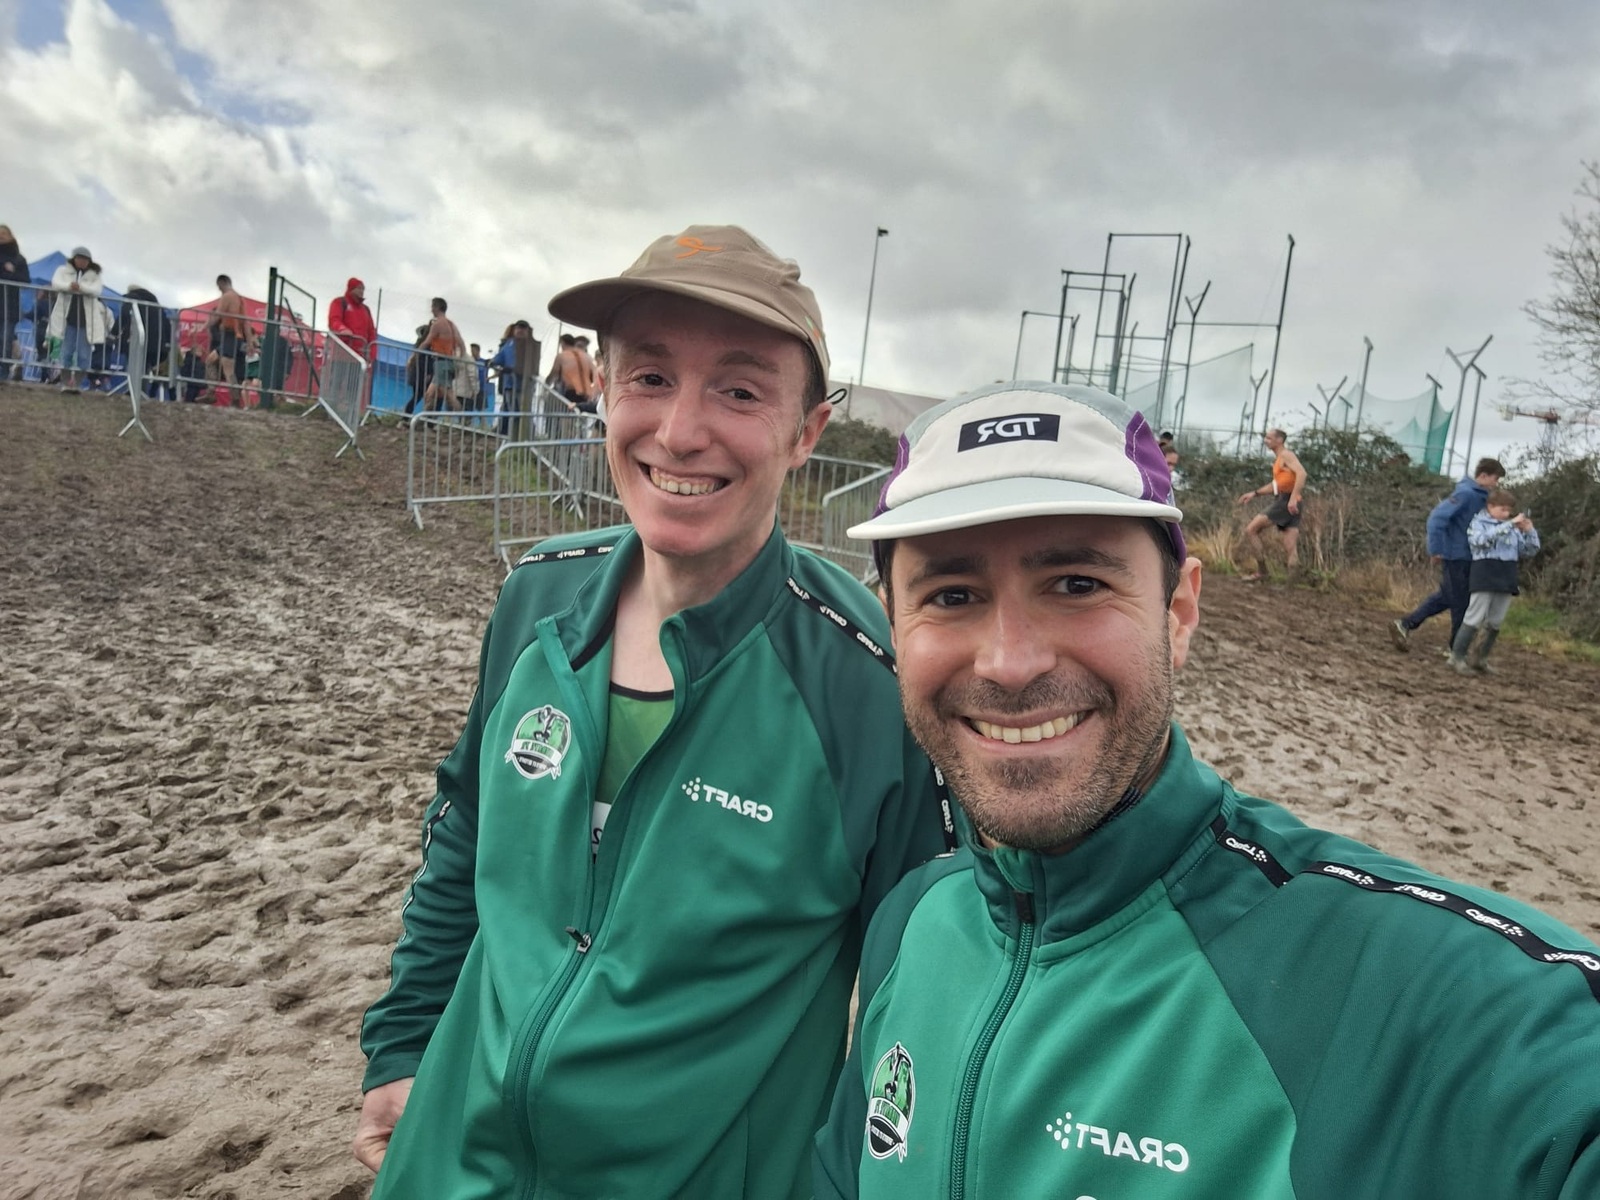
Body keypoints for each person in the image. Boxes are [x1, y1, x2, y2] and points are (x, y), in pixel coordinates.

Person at [814, 381, 1600, 1200]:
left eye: (1077, 584)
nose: (1010, 662)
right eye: (951, 596)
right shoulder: (911, 922)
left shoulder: (1404, 989)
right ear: (894, 629)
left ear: (1179, 611)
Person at [353, 224, 955, 1199]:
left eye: (740, 389)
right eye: (649, 379)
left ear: (807, 430)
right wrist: (402, 1046)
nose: (679, 432)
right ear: (604, 393)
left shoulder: (870, 683)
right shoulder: (536, 600)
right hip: (449, 1161)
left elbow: (920, 1002)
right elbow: (464, 832)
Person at [1389, 457, 1506, 653]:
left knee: (1446, 597)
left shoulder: (1481, 496)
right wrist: (1436, 549)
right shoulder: (1466, 494)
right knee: (1461, 601)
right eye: (1495, 479)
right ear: (1483, 476)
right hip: (1457, 555)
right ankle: (1455, 648)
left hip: (1468, 556)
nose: (1496, 484)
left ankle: (1405, 624)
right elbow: (1437, 518)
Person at [1450, 489, 1540, 675]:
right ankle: (1456, 657)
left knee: (1495, 621)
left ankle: (1479, 658)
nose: (1506, 514)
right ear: (1490, 506)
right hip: (1484, 573)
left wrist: (1530, 531)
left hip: (1506, 574)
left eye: (1509, 510)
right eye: (1502, 509)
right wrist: (1508, 525)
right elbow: (1480, 541)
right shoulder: (1478, 524)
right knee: (1474, 617)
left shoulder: (1511, 528)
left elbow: (1529, 550)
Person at [1234, 426, 1305, 579]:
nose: (1266, 441)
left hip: (1287, 501)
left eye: (1269, 438)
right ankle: (1292, 585)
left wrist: (1292, 498)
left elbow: (1302, 473)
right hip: (1294, 502)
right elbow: (1276, 485)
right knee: (1290, 545)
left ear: (1279, 440)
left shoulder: (1286, 455)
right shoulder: (1280, 459)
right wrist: (1255, 493)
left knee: (1251, 530)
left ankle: (1262, 572)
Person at [48, 246, 107, 393]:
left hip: (86, 323)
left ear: (89, 261)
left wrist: (80, 288)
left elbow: (97, 290)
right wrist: (69, 286)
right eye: (79, 258)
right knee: (66, 352)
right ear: (74, 258)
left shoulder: (95, 276)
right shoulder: (63, 271)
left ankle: (78, 384)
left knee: (84, 355)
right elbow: (55, 283)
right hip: (68, 320)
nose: (82, 261)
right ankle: (66, 383)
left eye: (85, 259)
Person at [208, 274, 255, 406]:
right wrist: (250, 342)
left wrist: (205, 325)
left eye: (219, 286)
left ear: (222, 283)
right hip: (238, 338)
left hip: (230, 335)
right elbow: (246, 322)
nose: (219, 289)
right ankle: (212, 392)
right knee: (214, 361)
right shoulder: (240, 299)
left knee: (228, 370)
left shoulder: (227, 296)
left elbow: (218, 314)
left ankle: (234, 399)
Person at [489, 318, 541, 437]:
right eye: (518, 328)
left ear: (528, 331)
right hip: (509, 384)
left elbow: (533, 365)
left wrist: (513, 369)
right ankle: (506, 434)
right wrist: (492, 362)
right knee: (509, 410)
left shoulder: (531, 346)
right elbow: (500, 357)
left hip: (525, 386)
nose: (520, 331)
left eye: (523, 328)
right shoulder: (509, 343)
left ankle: (525, 437)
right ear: (514, 329)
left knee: (521, 412)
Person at [419, 296, 465, 415]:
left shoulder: (438, 324)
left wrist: (415, 354)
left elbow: (427, 342)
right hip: (447, 362)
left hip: (441, 362)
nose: (431, 310)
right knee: (430, 394)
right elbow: (461, 344)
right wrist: (459, 361)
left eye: (432, 307)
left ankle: (464, 418)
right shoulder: (451, 324)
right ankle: (424, 419)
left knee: (448, 395)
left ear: (437, 307)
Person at [0, 224, 29, 380]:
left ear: (11, 236)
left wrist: (11, 273)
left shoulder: (18, 259)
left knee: (6, 338)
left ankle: (4, 370)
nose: (1, 236)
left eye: (4, 233)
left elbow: (25, 280)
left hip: (9, 306)